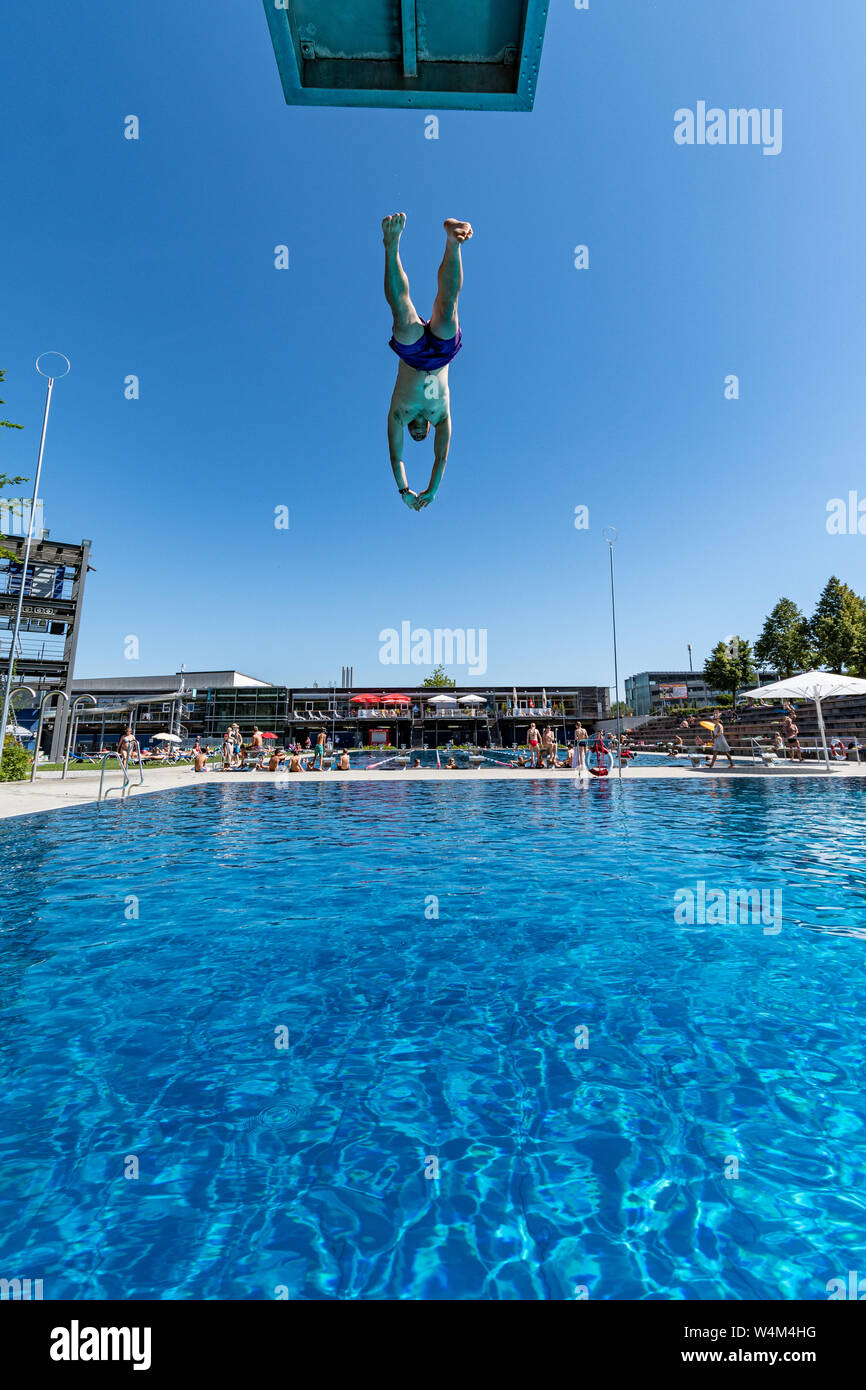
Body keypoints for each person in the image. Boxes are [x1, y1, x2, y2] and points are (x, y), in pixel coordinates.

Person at [383, 212, 472, 511]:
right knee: (447, 309)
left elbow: (396, 457)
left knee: (402, 315)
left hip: (411, 355)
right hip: (442, 357)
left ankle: (391, 246)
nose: (419, 434)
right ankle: (452, 241)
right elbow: (441, 458)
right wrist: (431, 491)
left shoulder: (398, 414)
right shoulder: (441, 418)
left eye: (414, 435)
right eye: (425, 436)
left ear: (410, 429)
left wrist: (404, 489)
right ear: (430, 430)